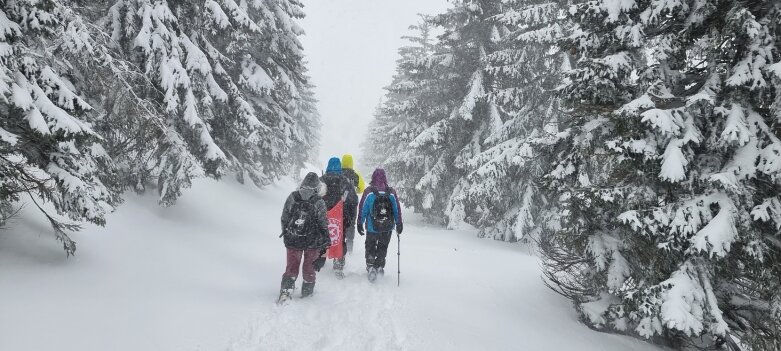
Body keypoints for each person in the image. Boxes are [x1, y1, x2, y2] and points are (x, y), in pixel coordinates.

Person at [278, 172, 330, 302]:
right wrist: (324, 244)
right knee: (309, 267)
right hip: (312, 242)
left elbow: (284, 217)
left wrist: (287, 234)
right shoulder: (319, 201)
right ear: (317, 187)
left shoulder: (293, 197)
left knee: (291, 267)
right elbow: (323, 224)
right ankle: (307, 293)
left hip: (293, 239)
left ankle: (286, 291)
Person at [357, 168, 403, 281]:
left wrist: (360, 222)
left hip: (372, 227)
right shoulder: (391, 192)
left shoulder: (369, 191)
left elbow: (363, 208)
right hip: (387, 227)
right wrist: (399, 223)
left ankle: (370, 265)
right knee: (383, 246)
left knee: (370, 246)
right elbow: (397, 209)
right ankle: (379, 265)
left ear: (373, 177)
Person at [320, 157, 358, 279]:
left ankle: (321, 260)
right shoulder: (345, 182)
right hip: (341, 218)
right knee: (340, 240)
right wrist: (350, 219)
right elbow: (353, 201)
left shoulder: (321, 181)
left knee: (322, 239)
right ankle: (338, 264)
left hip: (322, 217)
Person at [340, 154, 365, 254]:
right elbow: (361, 189)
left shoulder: (339, 173)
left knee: (340, 223)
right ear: (351, 163)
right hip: (352, 203)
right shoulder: (356, 175)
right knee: (351, 224)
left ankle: (340, 245)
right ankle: (349, 247)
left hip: (340, 202)